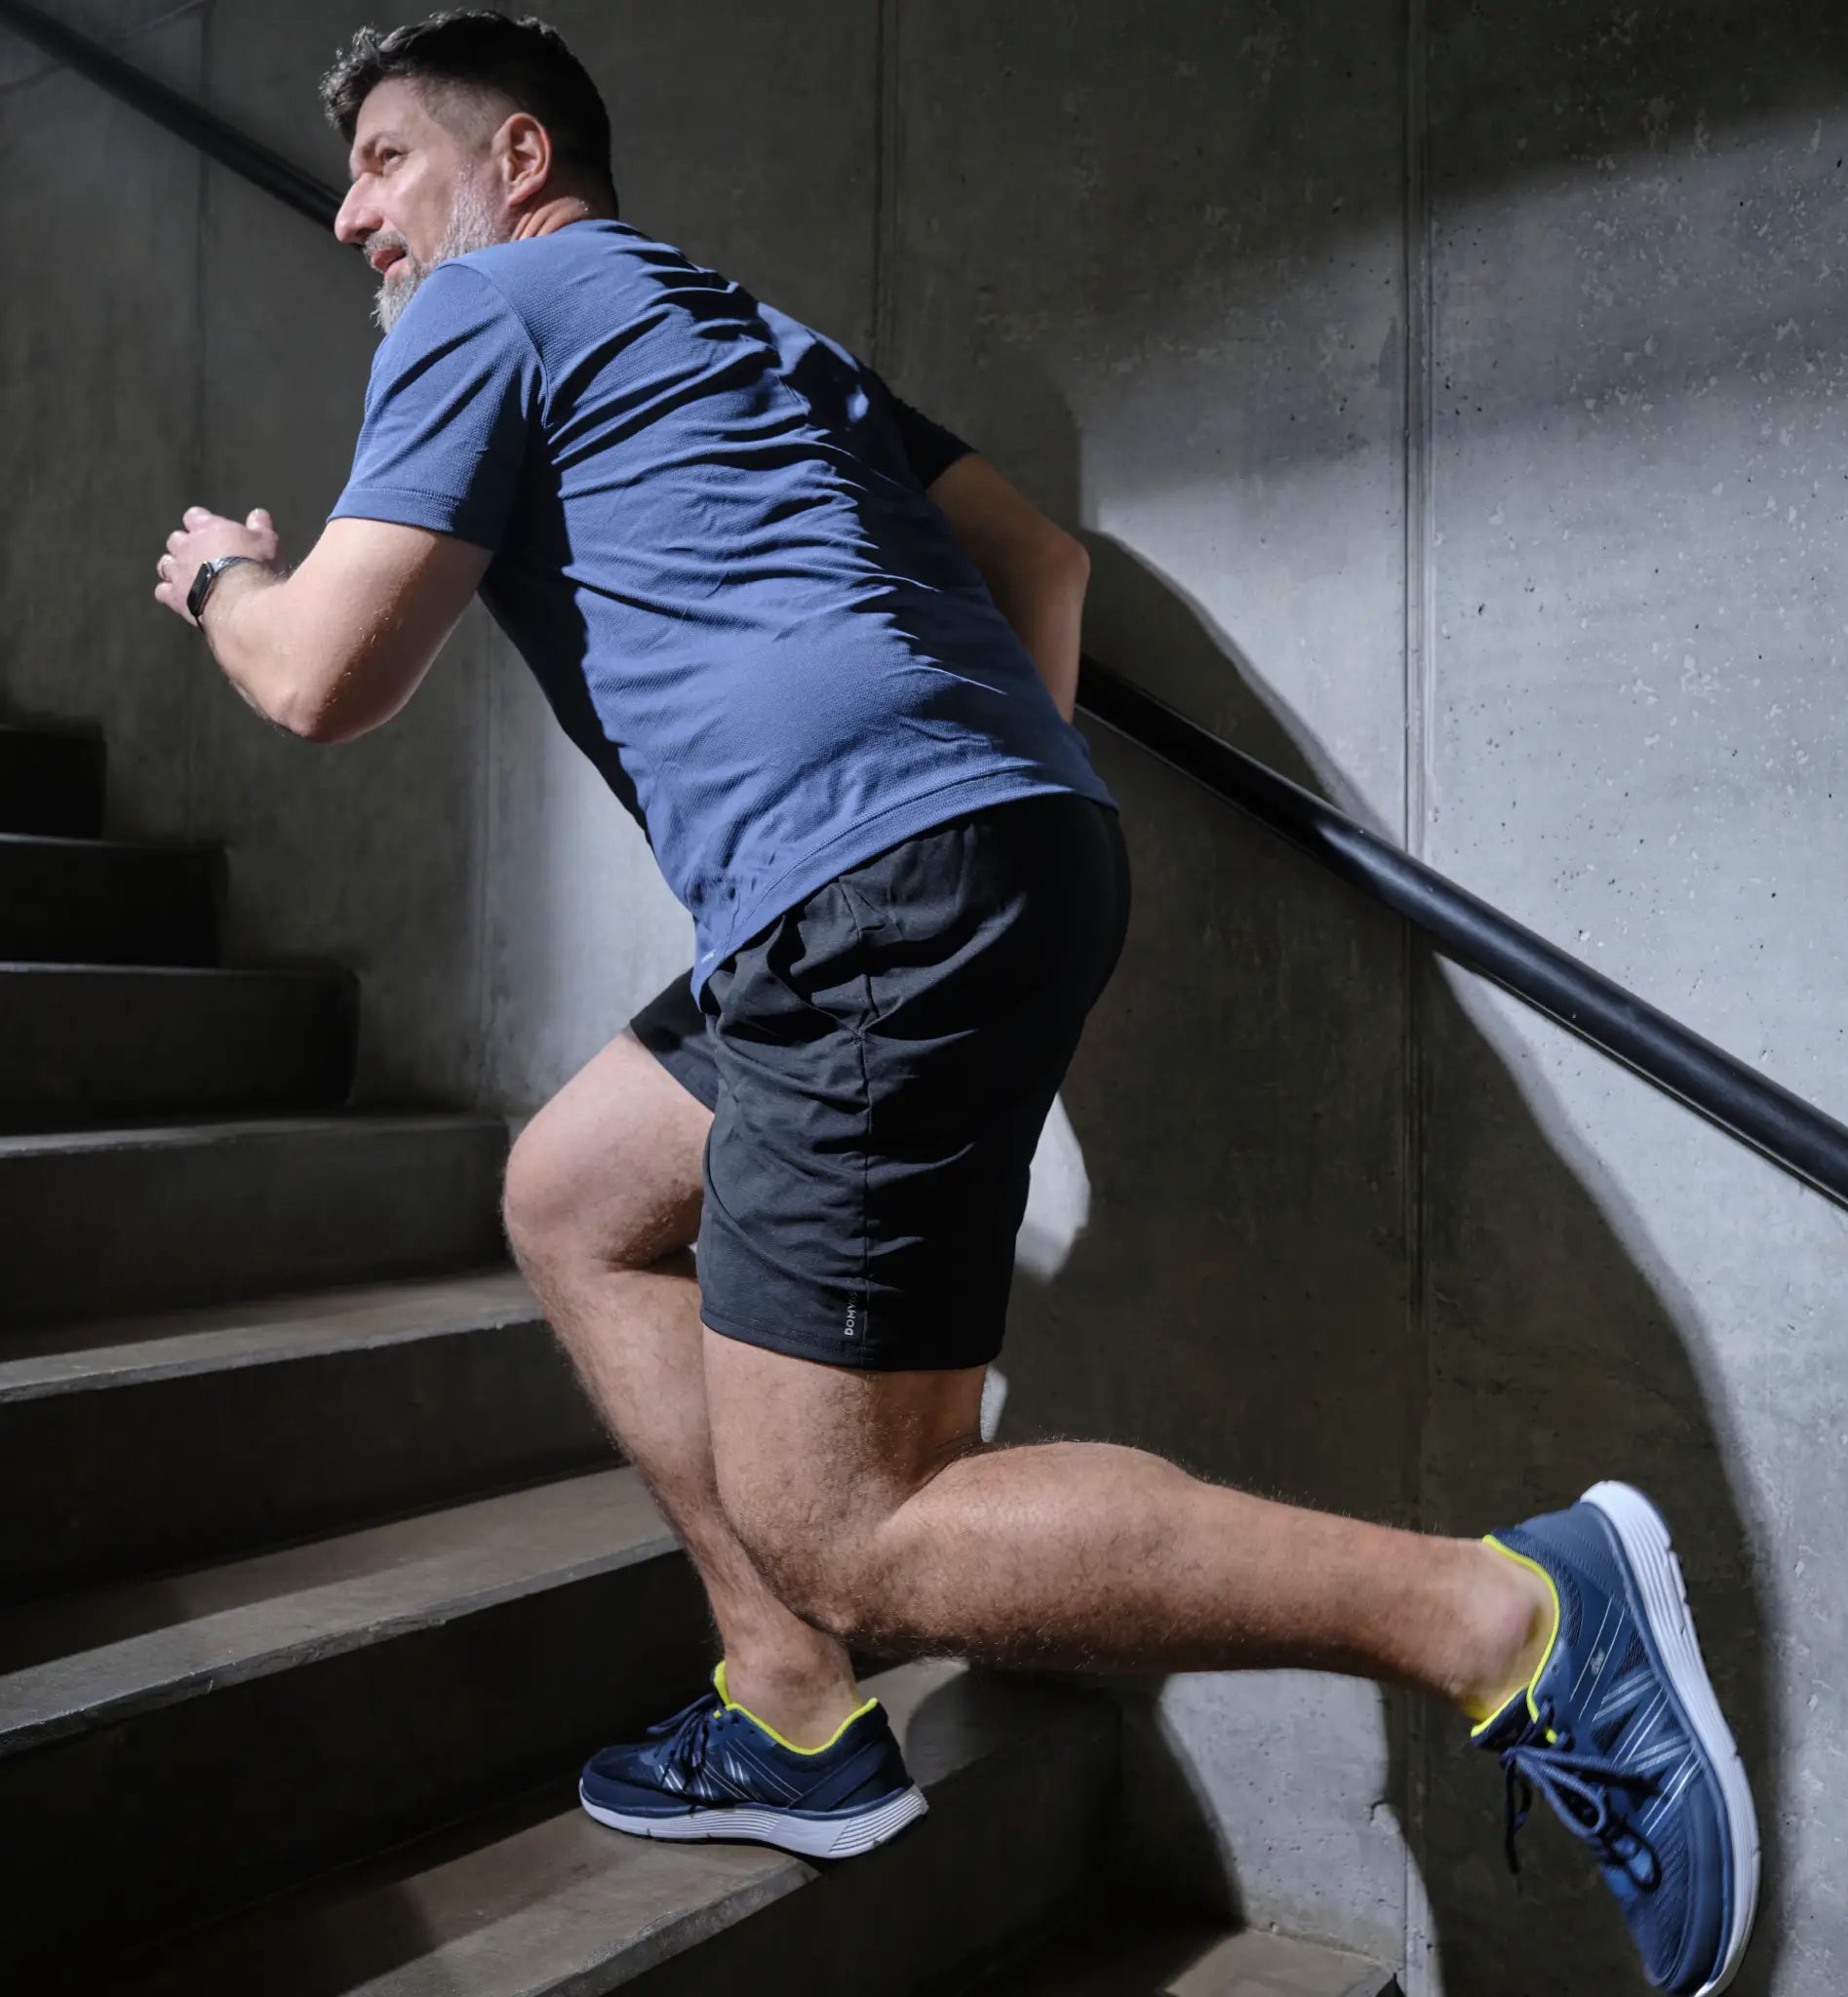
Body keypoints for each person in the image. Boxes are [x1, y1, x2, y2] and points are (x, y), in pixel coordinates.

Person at [150, 13, 1758, 1990]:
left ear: (523, 159)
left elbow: (322, 675)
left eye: (389, 160)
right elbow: (1036, 554)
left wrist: (227, 578)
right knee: (577, 1188)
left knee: (854, 1516)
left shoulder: (493, 306)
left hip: (875, 890)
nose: (349, 213)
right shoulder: (726, 324)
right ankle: (789, 1702)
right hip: (952, 864)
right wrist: (976, 781)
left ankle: (1503, 1618)